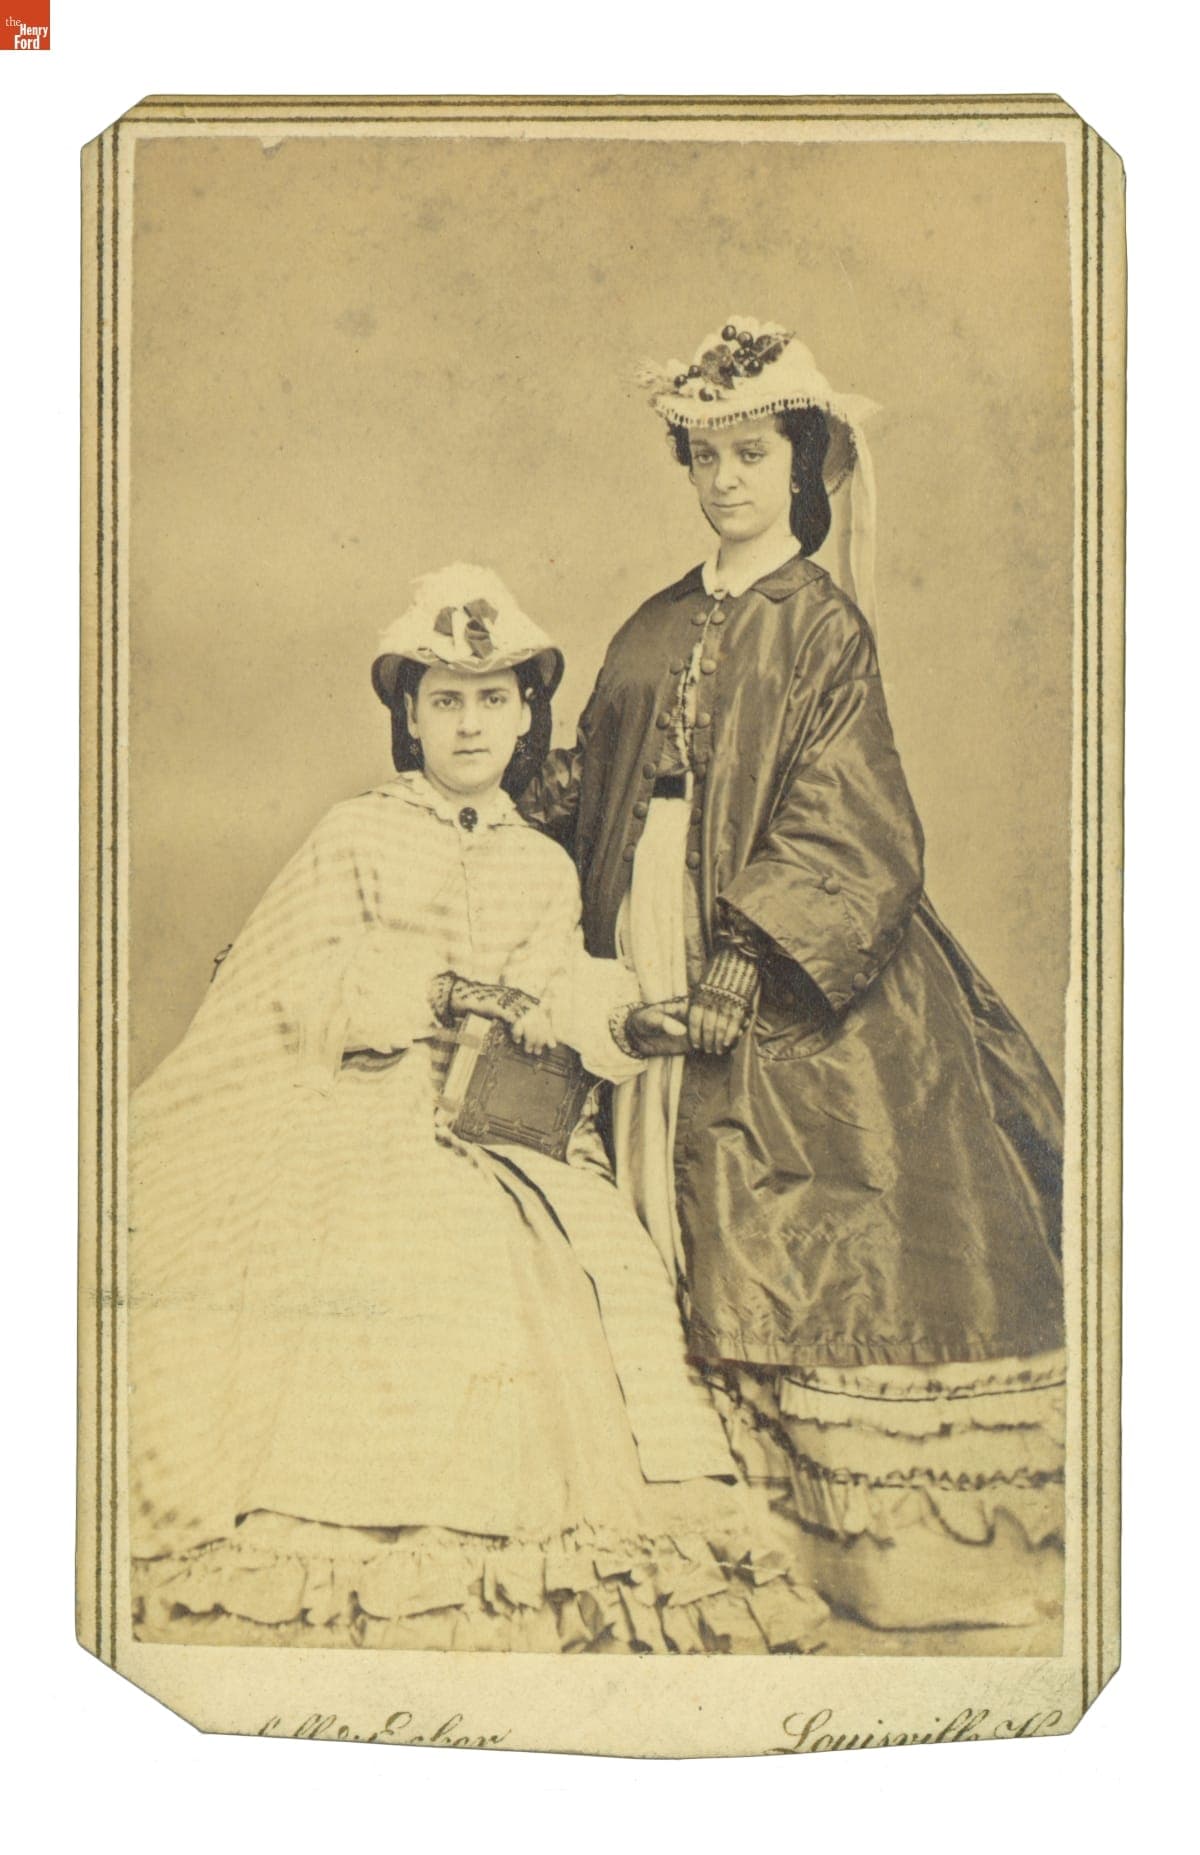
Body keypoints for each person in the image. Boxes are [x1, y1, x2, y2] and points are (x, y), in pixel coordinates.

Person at [128, 563, 829, 1656]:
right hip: (371, 1102)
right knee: (416, 1243)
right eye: (445, 699)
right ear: (408, 715)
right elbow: (292, 983)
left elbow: (562, 983)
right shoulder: (355, 834)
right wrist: (434, 993)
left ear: (526, 714)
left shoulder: (542, 865)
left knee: (617, 1269)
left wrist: (624, 1019)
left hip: (508, 1126)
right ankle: (394, 1545)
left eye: (493, 698)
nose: (470, 722)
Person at [522, 320, 1066, 1638]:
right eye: (703, 456)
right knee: (645, 1178)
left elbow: (850, 821)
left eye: (750, 454)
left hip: (773, 956)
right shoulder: (655, 621)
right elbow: (600, 777)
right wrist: (528, 793)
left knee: (793, 1197)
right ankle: (695, 1524)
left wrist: (744, 952)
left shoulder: (825, 625)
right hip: (638, 924)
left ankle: (839, 1547)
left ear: (802, 463)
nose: (724, 481)